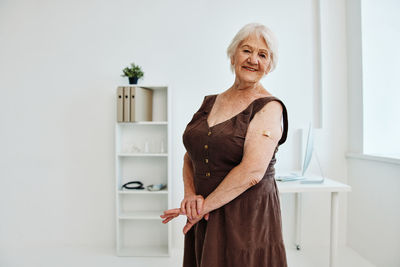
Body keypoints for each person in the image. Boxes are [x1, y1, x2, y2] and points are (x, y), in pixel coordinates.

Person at [160, 22, 289, 267]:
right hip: (206, 209)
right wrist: (190, 196)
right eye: (247, 50)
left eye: (262, 55)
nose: (253, 59)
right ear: (233, 54)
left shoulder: (269, 107)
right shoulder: (210, 102)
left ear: (270, 65)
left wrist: (201, 208)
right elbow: (191, 155)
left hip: (245, 215)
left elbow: (252, 172)